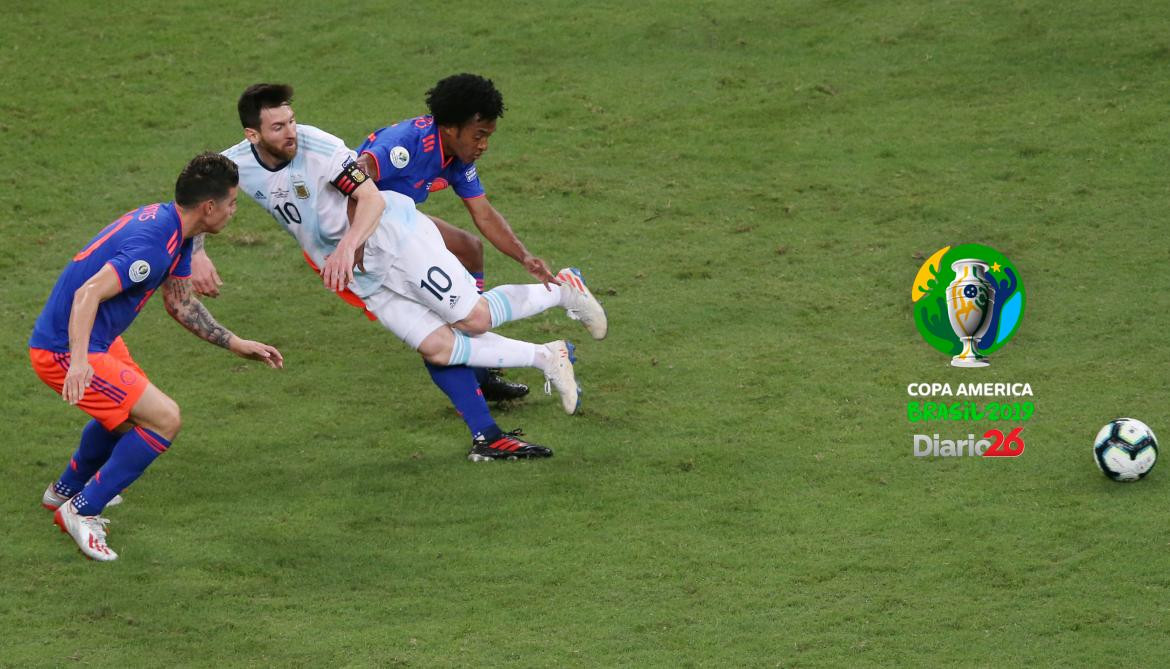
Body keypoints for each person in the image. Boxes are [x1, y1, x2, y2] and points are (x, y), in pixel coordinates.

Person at [211, 83, 606, 460]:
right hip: (356, 268)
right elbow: (194, 193)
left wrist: (350, 246)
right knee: (437, 346)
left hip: (392, 238)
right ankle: (543, 358)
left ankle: (564, 291)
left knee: (473, 317)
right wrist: (195, 252)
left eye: (292, 121)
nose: (291, 132)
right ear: (253, 134)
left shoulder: (323, 148)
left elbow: (368, 197)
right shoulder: (237, 163)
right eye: (279, 127)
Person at [29, 153, 284, 562]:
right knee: (164, 418)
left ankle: (65, 490)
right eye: (233, 203)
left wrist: (236, 343)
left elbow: (181, 304)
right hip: (64, 348)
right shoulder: (152, 247)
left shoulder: (175, 231)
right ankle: (81, 511)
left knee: (132, 415)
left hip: (98, 339)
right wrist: (79, 362)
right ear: (209, 207)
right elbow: (87, 294)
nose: (235, 211)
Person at [355, 73, 555, 405]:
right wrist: (355, 240)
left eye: (488, 136)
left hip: (401, 222)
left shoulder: (456, 157)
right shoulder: (406, 144)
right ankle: (473, 365)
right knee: (438, 319)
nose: (484, 145)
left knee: (469, 248)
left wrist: (525, 256)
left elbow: (484, 214)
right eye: (479, 135)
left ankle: (472, 344)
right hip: (375, 235)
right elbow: (356, 171)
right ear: (450, 128)